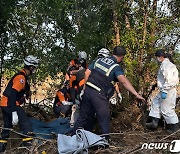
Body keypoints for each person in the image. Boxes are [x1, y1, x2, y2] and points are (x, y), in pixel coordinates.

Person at [72, 46, 145, 139]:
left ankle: (73, 139)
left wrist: (84, 88)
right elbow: (123, 81)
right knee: (104, 117)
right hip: (98, 94)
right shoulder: (116, 67)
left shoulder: (98, 60)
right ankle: (104, 142)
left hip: (87, 91)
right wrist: (136, 94)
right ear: (121, 57)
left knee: (82, 117)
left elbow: (86, 73)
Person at [0, 55, 39, 152]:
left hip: (4, 104)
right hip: (10, 104)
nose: (34, 70)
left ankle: (1, 148)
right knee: (26, 124)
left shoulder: (22, 77)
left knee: (7, 127)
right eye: (34, 67)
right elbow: (13, 94)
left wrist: (26, 93)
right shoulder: (21, 78)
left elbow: (25, 88)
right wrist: (14, 112)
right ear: (31, 67)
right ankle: (28, 147)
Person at [146, 49, 179, 133]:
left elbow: (170, 80)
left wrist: (165, 90)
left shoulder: (166, 65)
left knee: (167, 109)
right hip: (164, 89)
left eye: (157, 57)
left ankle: (174, 127)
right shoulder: (166, 64)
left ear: (160, 57)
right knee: (155, 103)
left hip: (168, 90)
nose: (156, 59)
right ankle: (154, 123)